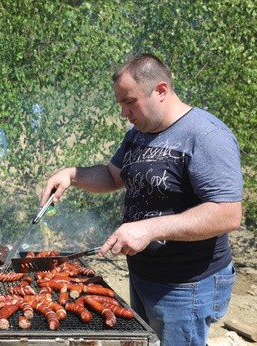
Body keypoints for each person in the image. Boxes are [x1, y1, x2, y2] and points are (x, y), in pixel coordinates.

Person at [41, 53, 242, 345]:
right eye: (120, 103)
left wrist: (149, 228)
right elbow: (113, 176)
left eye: (129, 102)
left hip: (186, 286)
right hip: (144, 275)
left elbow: (227, 213)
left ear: (160, 90)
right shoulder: (139, 133)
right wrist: (71, 175)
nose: (124, 113)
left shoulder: (206, 135)